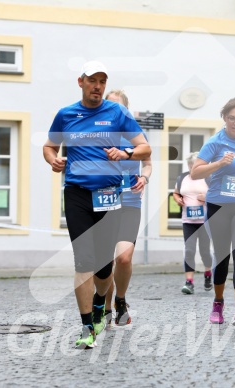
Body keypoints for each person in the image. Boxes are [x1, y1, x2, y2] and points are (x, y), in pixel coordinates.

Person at [43, 61, 151, 348]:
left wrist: (126, 152)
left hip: (109, 195)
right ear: (81, 82)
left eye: (102, 81)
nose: (98, 86)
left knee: (104, 269)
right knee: (84, 261)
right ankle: (86, 326)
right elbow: (49, 145)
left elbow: (145, 147)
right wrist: (52, 159)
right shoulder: (66, 115)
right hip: (76, 193)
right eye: (93, 80)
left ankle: (102, 302)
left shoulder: (117, 112)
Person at [190, 98, 235, 327]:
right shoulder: (214, 143)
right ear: (224, 117)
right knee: (222, 256)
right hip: (219, 206)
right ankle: (218, 302)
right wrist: (220, 163)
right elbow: (195, 173)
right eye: (232, 118)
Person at [98, 90, 152, 327]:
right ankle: (105, 307)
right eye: (108, 105)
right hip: (104, 202)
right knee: (104, 261)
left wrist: (145, 178)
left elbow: (148, 163)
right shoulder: (97, 134)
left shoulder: (135, 136)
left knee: (123, 258)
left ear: (126, 111)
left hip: (130, 202)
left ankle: (120, 299)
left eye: (118, 107)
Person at [173, 152, 213, 294]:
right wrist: (177, 199)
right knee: (189, 250)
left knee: (204, 251)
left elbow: (218, 196)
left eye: (194, 165)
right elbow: (176, 193)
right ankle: (189, 282)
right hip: (188, 220)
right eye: (190, 165)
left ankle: (208, 274)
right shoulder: (182, 178)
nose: (192, 168)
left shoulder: (208, 178)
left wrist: (207, 197)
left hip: (205, 221)